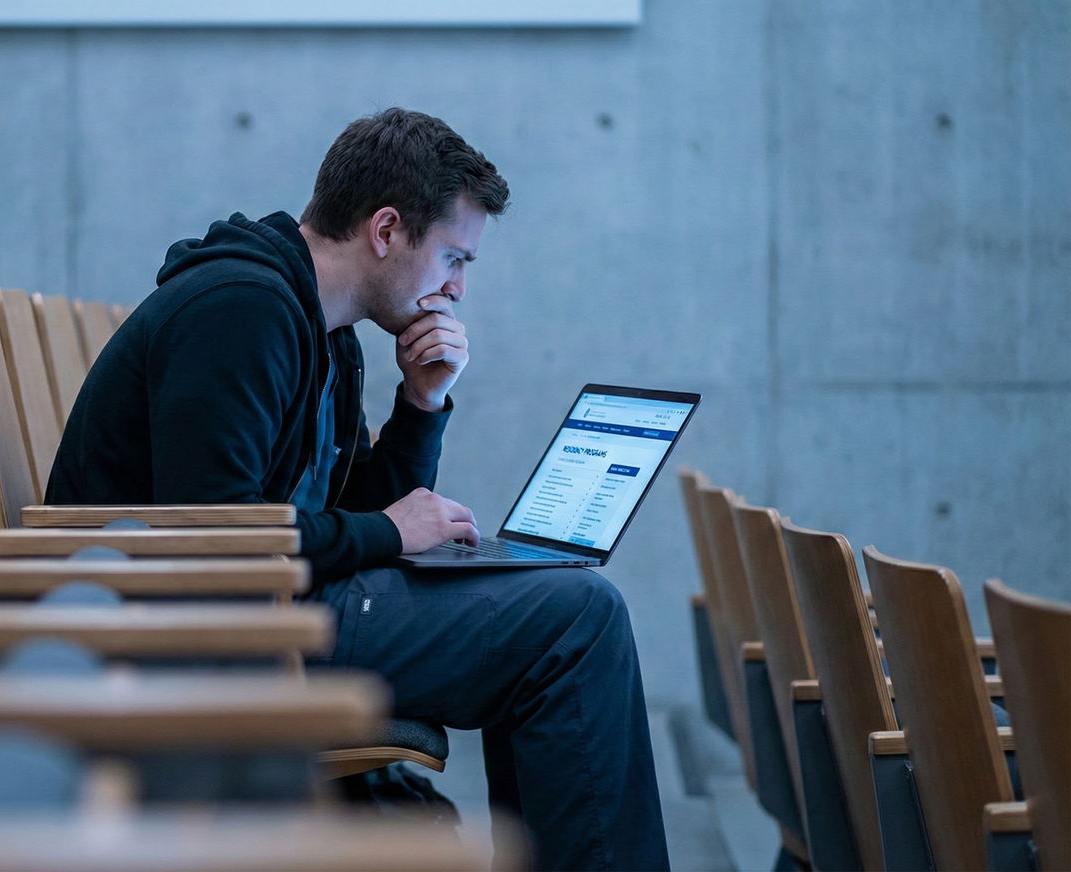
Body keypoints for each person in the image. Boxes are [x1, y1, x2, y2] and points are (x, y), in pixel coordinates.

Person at [46, 108, 669, 871]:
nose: (458, 289)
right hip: (196, 633)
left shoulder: (327, 332)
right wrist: (391, 534)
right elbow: (213, 534)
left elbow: (355, 508)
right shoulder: (240, 310)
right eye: (453, 257)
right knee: (577, 618)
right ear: (385, 231)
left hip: (263, 607)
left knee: (551, 594)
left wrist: (422, 404)